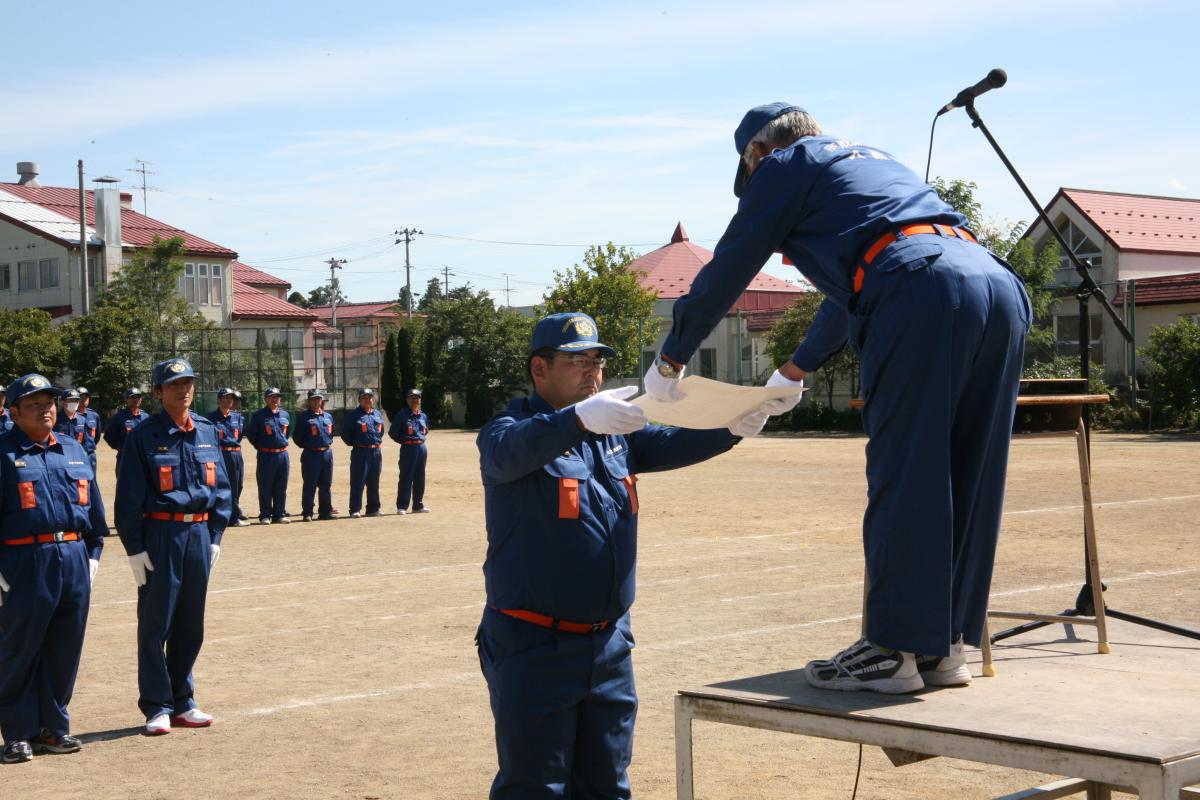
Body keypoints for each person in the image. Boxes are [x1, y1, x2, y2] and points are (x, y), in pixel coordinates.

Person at [643, 103, 1031, 694]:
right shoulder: (867, 164)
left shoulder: (780, 167)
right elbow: (851, 289)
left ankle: (891, 649)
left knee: (906, 469)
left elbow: (731, 264)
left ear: (755, 154)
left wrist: (672, 356)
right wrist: (792, 372)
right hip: (996, 284)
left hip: (919, 289)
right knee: (970, 469)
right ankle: (942, 648)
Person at [477, 312, 766, 797]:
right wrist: (575, 420)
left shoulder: (612, 433)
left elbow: (672, 443)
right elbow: (504, 454)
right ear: (539, 369)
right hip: (534, 646)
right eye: (577, 361)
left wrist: (733, 428)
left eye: (597, 361)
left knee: (608, 784)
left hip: (608, 646)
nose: (593, 372)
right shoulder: (512, 430)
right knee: (535, 787)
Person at [115, 357, 231, 735]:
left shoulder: (208, 432)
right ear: (158, 392)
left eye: (188, 383)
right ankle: (157, 705)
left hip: (197, 535)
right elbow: (129, 496)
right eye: (174, 384)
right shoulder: (144, 435)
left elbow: (222, 489)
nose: (183, 390)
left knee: (190, 624)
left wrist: (215, 536)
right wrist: (134, 547)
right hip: (161, 536)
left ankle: (183, 700)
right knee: (155, 624)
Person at [0, 374, 108, 764]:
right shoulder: (4, 452)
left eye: (49, 402)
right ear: (13, 412)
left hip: (73, 559)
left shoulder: (72, 449)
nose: (46, 409)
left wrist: (93, 555)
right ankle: (17, 733)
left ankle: (53, 727)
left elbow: (94, 512)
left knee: (65, 648)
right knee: (20, 649)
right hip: (24, 562)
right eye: (34, 404)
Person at [245, 387, 291, 524]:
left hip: (282, 455)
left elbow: (287, 434)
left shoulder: (285, 415)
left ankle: (279, 514)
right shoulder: (259, 416)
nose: (274, 399)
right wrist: (263, 446)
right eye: (271, 397)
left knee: (281, 486)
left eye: (276, 397)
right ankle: (265, 515)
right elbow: (252, 435)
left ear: (280, 399)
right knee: (265, 486)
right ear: (266, 399)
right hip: (266, 455)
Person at [206, 388, 250, 527]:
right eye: (225, 398)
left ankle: (234, 517)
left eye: (230, 398)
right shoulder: (211, 418)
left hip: (236, 454)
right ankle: (220, 516)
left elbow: (240, 435)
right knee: (221, 486)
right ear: (219, 400)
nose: (228, 400)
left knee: (237, 485)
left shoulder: (238, 418)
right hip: (220, 454)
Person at [293, 389, 338, 522]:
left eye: (318, 399)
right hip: (311, 454)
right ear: (309, 401)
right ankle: (307, 512)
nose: (316, 401)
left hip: (326, 454)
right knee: (310, 484)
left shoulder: (328, 417)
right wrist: (309, 446)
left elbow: (331, 433)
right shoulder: (304, 417)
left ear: (322, 400)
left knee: (326, 485)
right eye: (313, 399)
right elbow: (297, 438)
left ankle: (325, 511)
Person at [340, 388, 384, 518]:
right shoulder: (353, 416)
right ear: (359, 400)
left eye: (369, 397)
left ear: (373, 399)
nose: (367, 400)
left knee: (374, 482)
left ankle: (373, 508)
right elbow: (346, 435)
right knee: (358, 481)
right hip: (361, 451)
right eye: (364, 398)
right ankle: (355, 509)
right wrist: (358, 444)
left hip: (375, 451)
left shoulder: (377, 414)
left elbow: (380, 431)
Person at [388, 388, 429, 515]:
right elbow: (393, 433)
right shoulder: (401, 416)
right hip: (408, 448)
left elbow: (425, 430)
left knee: (420, 477)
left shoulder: (423, 416)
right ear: (407, 400)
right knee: (406, 477)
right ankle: (402, 506)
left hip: (421, 448)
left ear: (420, 400)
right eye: (411, 398)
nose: (414, 400)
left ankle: (418, 505)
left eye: (416, 398)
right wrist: (406, 442)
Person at [103, 388, 149, 474]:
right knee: (124, 485)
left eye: (138, 397)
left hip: (143, 458)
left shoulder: (146, 417)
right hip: (125, 458)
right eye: (132, 397)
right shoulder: (119, 418)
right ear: (126, 400)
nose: (136, 400)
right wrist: (122, 448)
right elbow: (108, 436)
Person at [76, 387, 102, 474]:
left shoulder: (94, 416)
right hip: (74, 455)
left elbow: (97, 436)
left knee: (92, 481)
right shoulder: (70, 416)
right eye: (81, 397)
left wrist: (90, 446)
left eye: (86, 397)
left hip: (90, 455)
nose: (84, 399)